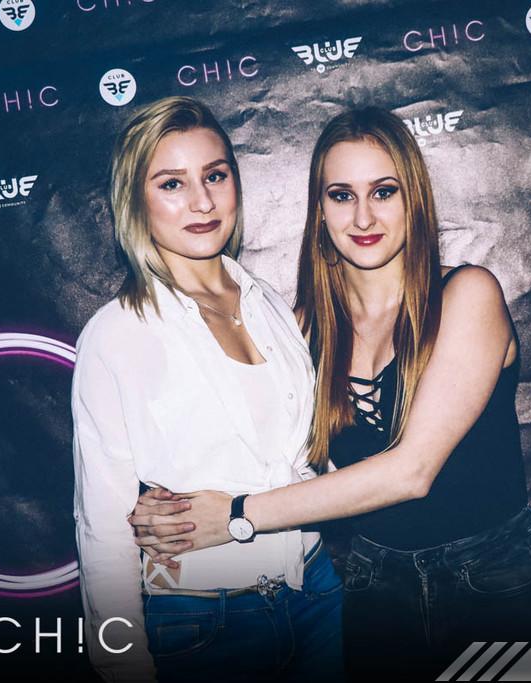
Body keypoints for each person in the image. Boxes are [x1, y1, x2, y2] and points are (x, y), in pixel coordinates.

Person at [130, 107, 531, 679]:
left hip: (493, 578)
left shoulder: (467, 294)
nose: (363, 216)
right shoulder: (302, 330)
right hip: (373, 587)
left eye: (384, 191)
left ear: (414, 199)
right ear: (320, 209)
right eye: (341, 195)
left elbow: (411, 471)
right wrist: (173, 507)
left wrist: (234, 515)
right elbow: (273, 456)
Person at [71, 96, 343, 683]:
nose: (202, 201)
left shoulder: (272, 306)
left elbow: (309, 461)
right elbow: (103, 530)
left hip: (318, 592)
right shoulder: (117, 334)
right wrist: (122, 665)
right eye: (172, 183)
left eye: (215, 175)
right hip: (203, 621)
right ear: (135, 200)